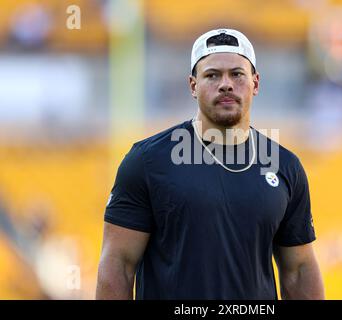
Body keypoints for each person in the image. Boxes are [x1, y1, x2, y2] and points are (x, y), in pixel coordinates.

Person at [96, 28, 325, 300]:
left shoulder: (284, 166)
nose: (226, 84)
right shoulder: (147, 161)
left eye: (237, 74)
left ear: (256, 83)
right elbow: (118, 265)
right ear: (193, 85)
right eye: (212, 75)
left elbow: (298, 269)